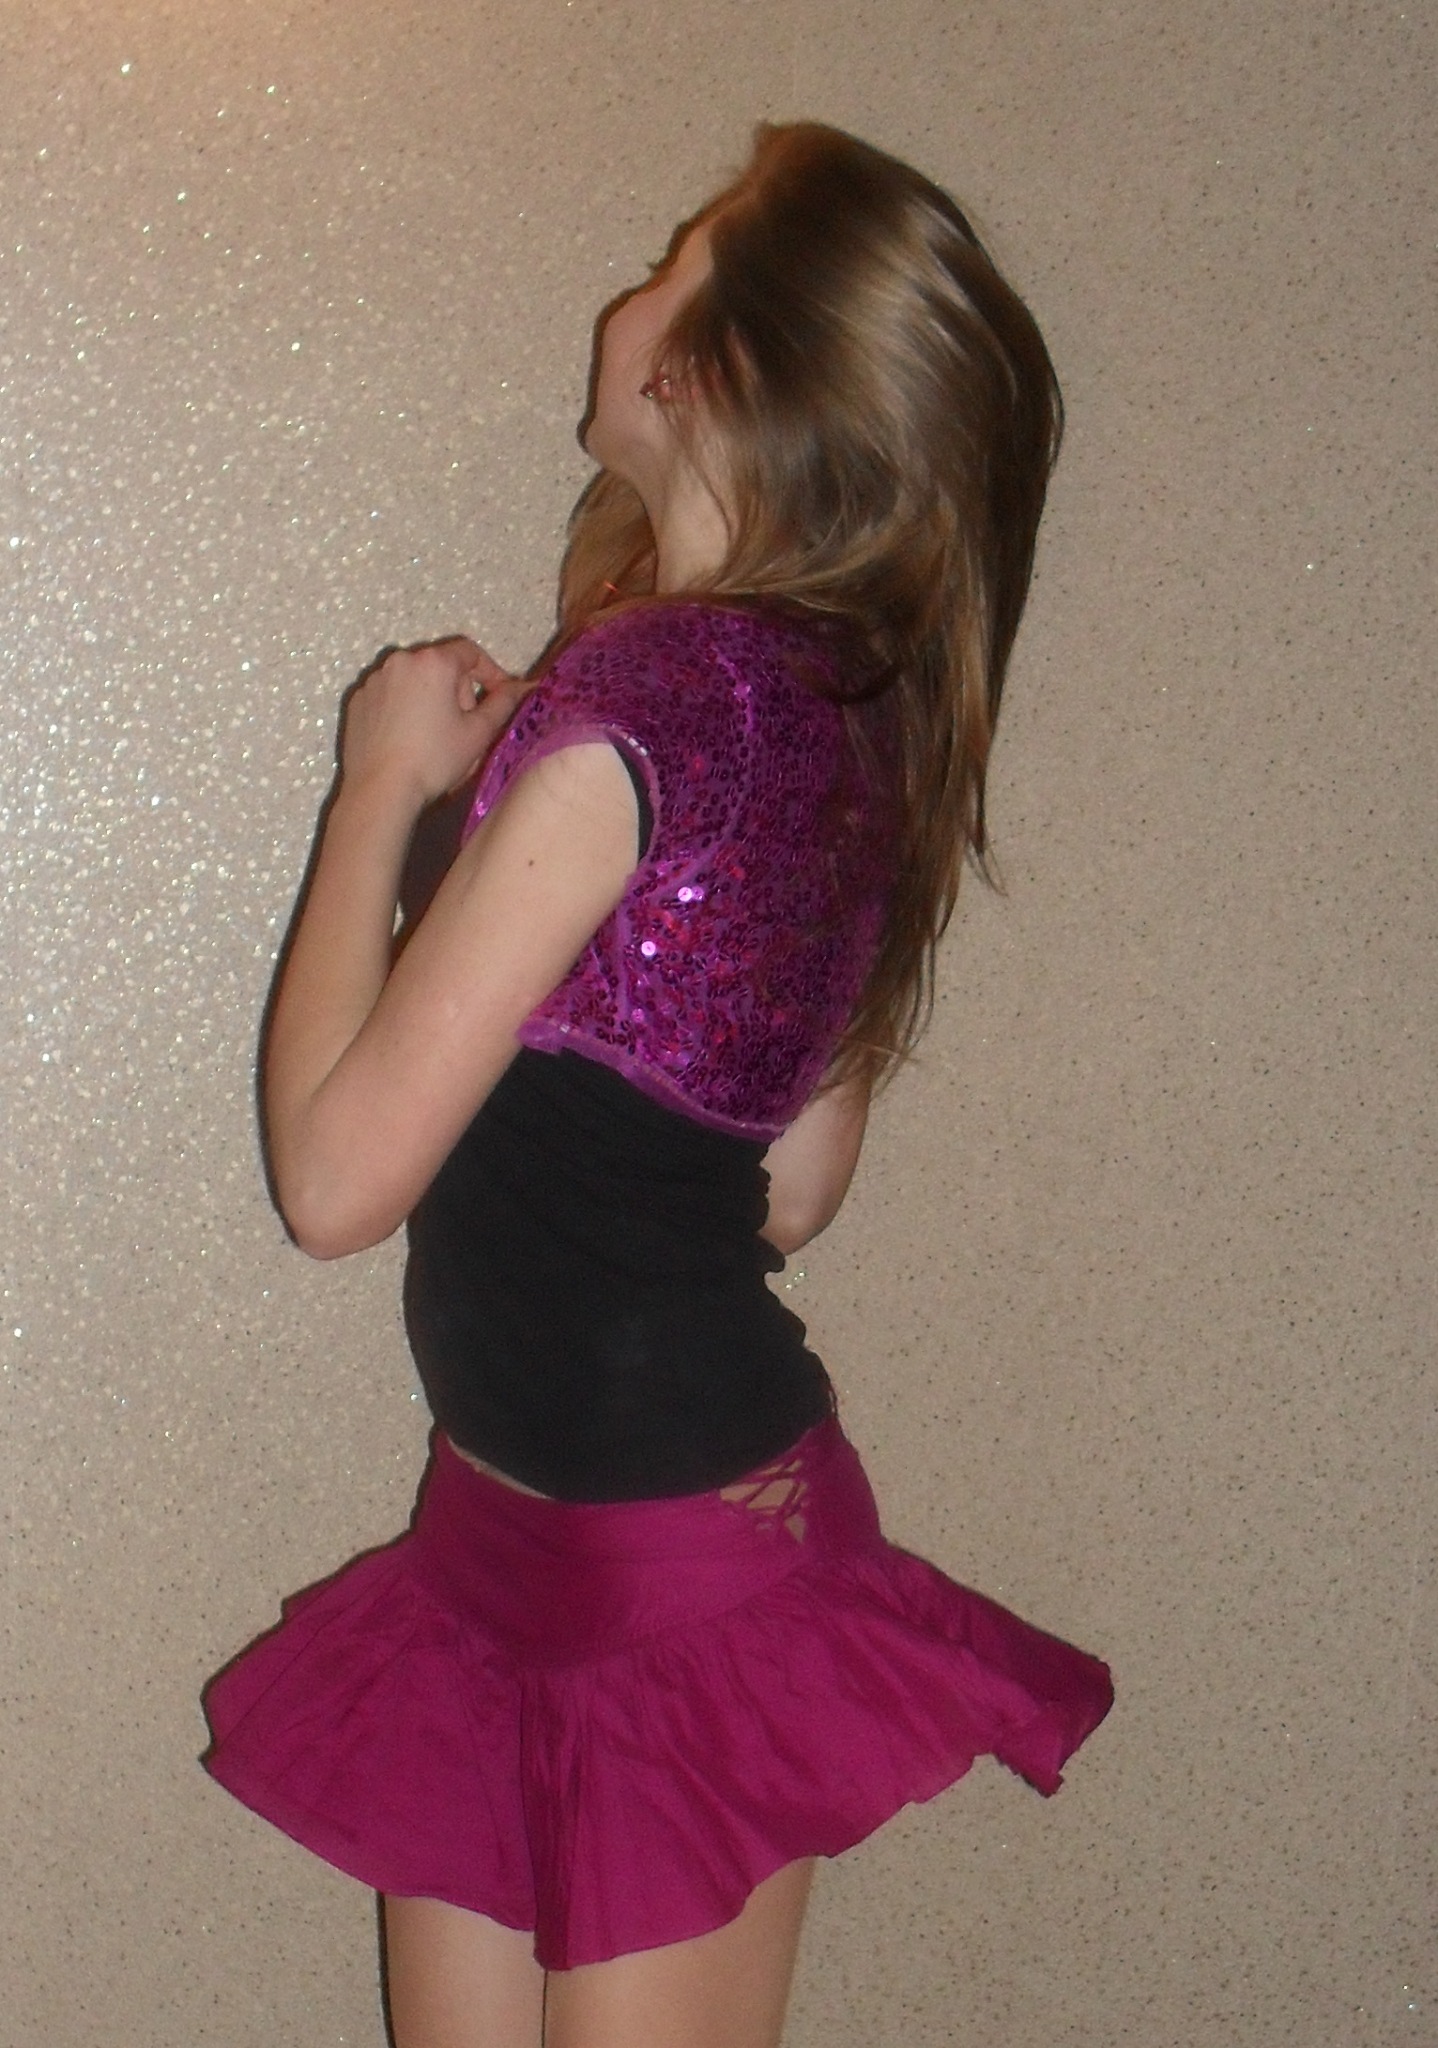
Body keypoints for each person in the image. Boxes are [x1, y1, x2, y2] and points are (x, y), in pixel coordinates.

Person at [203, 121, 1113, 2048]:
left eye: (669, 262)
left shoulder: (643, 702)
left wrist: (378, 783)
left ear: (721, 367)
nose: (625, 299)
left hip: (663, 1582)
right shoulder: (846, 711)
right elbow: (788, 1189)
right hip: (520, 1549)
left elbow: (333, 1183)